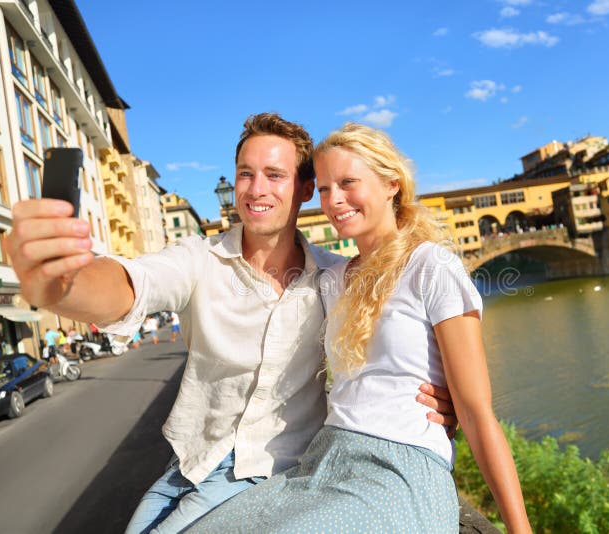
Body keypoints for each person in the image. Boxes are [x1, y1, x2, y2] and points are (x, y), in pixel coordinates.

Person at [3, 113, 455, 533]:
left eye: (275, 175)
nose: (255, 189)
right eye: (245, 173)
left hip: (275, 475)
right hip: (189, 467)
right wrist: (63, 283)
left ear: (303, 189)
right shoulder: (200, 260)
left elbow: (403, 345)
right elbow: (132, 283)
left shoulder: (336, 278)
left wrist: (438, 403)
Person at [191, 123, 532, 533]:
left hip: (400, 470)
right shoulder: (332, 280)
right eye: (324, 189)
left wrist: (520, 529)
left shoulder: (432, 267)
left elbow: (477, 413)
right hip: (323, 460)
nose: (334, 201)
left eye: (348, 183)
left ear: (391, 184)